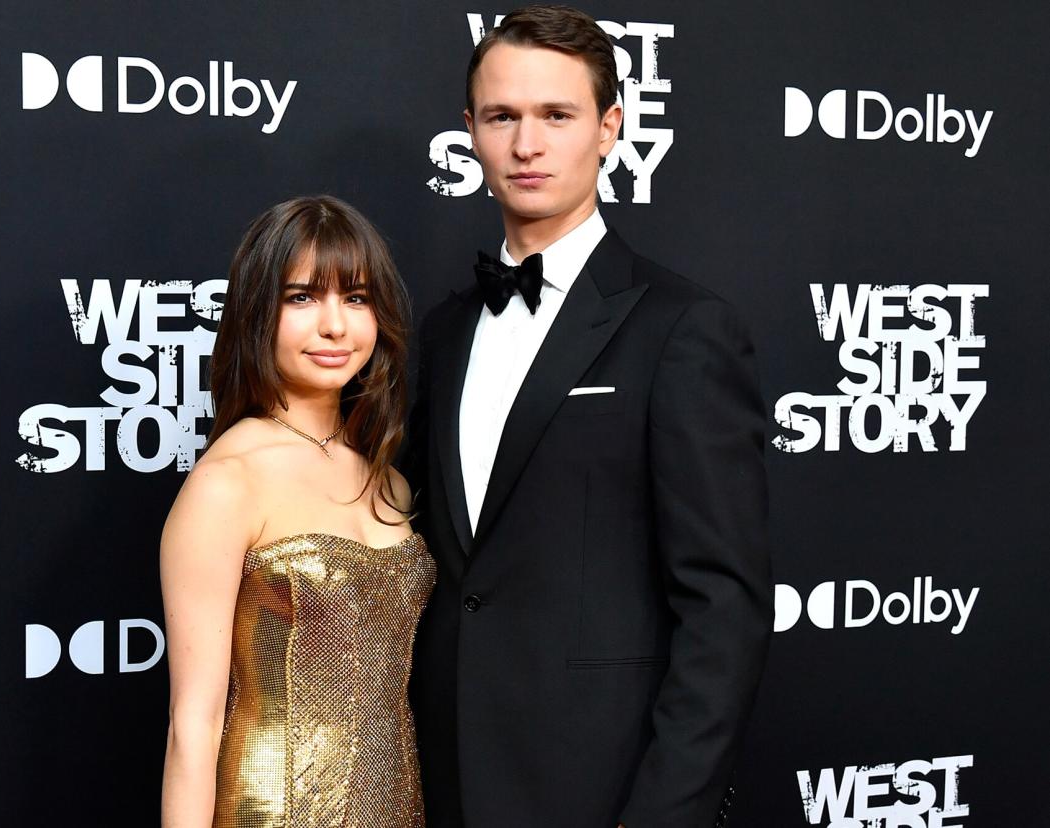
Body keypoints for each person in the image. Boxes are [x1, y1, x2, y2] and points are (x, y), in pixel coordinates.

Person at [406, 6, 774, 827]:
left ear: (608, 129)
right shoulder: (442, 330)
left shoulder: (683, 329)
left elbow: (723, 607)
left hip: (601, 790)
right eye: (502, 116)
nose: (525, 145)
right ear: (470, 130)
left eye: (556, 116)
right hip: (440, 779)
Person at [160, 195, 434, 828]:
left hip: (396, 806)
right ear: (259, 313)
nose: (335, 326)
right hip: (272, 810)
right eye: (303, 297)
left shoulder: (388, 478)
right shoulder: (228, 483)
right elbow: (192, 725)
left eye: (357, 298)